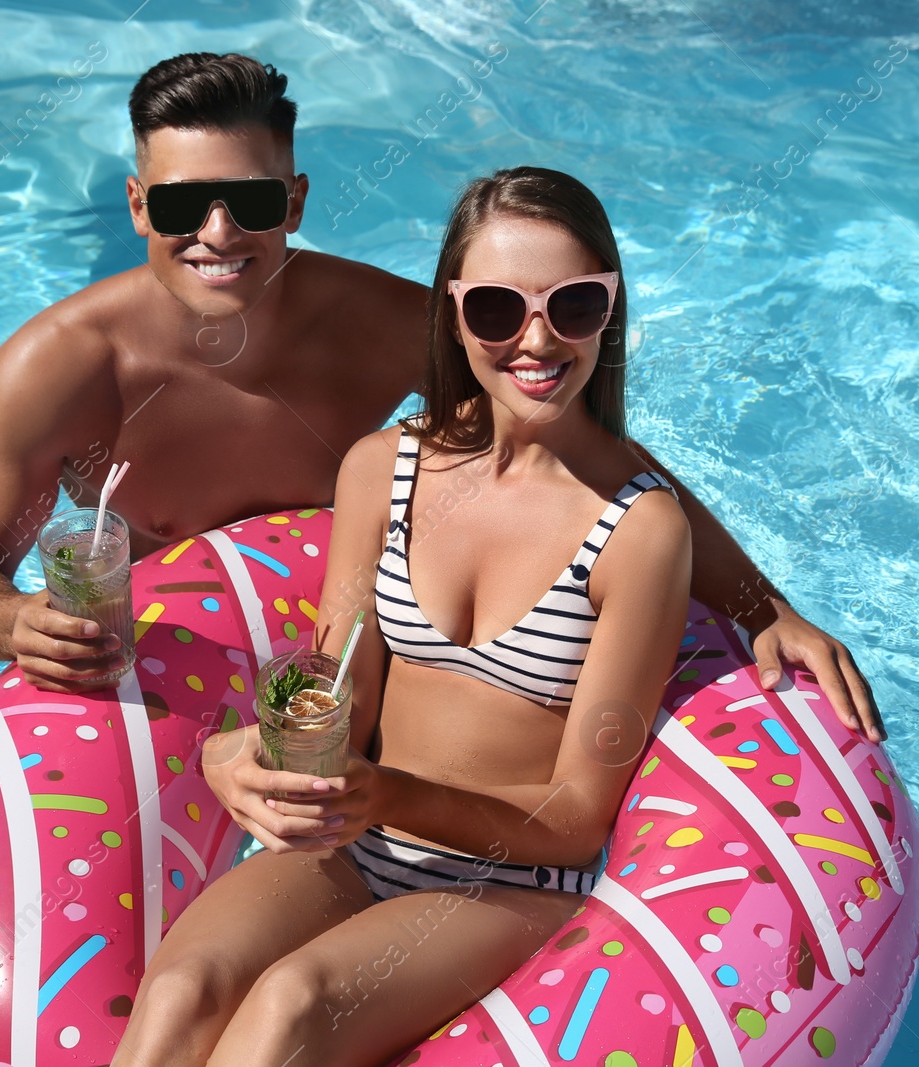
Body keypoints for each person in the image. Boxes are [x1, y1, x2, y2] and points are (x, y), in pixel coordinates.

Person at [0, 53, 883, 732]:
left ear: (294, 203)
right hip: (175, 672)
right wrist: (14, 621)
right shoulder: (54, 370)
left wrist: (766, 607)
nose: (217, 232)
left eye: (252, 203)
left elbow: (578, 446)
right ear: (137, 207)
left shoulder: (385, 323)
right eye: (180, 204)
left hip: (371, 653)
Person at [111, 166, 693, 1066]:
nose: (536, 340)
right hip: (362, 837)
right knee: (186, 988)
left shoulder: (639, 532)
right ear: (454, 313)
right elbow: (334, 686)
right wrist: (241, 748)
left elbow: (579, 816)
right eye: (499, 308)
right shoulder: (384, 469)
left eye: (572, 304)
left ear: (609, 309)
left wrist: (384, 792)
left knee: (290, 1006)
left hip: (510, 881)